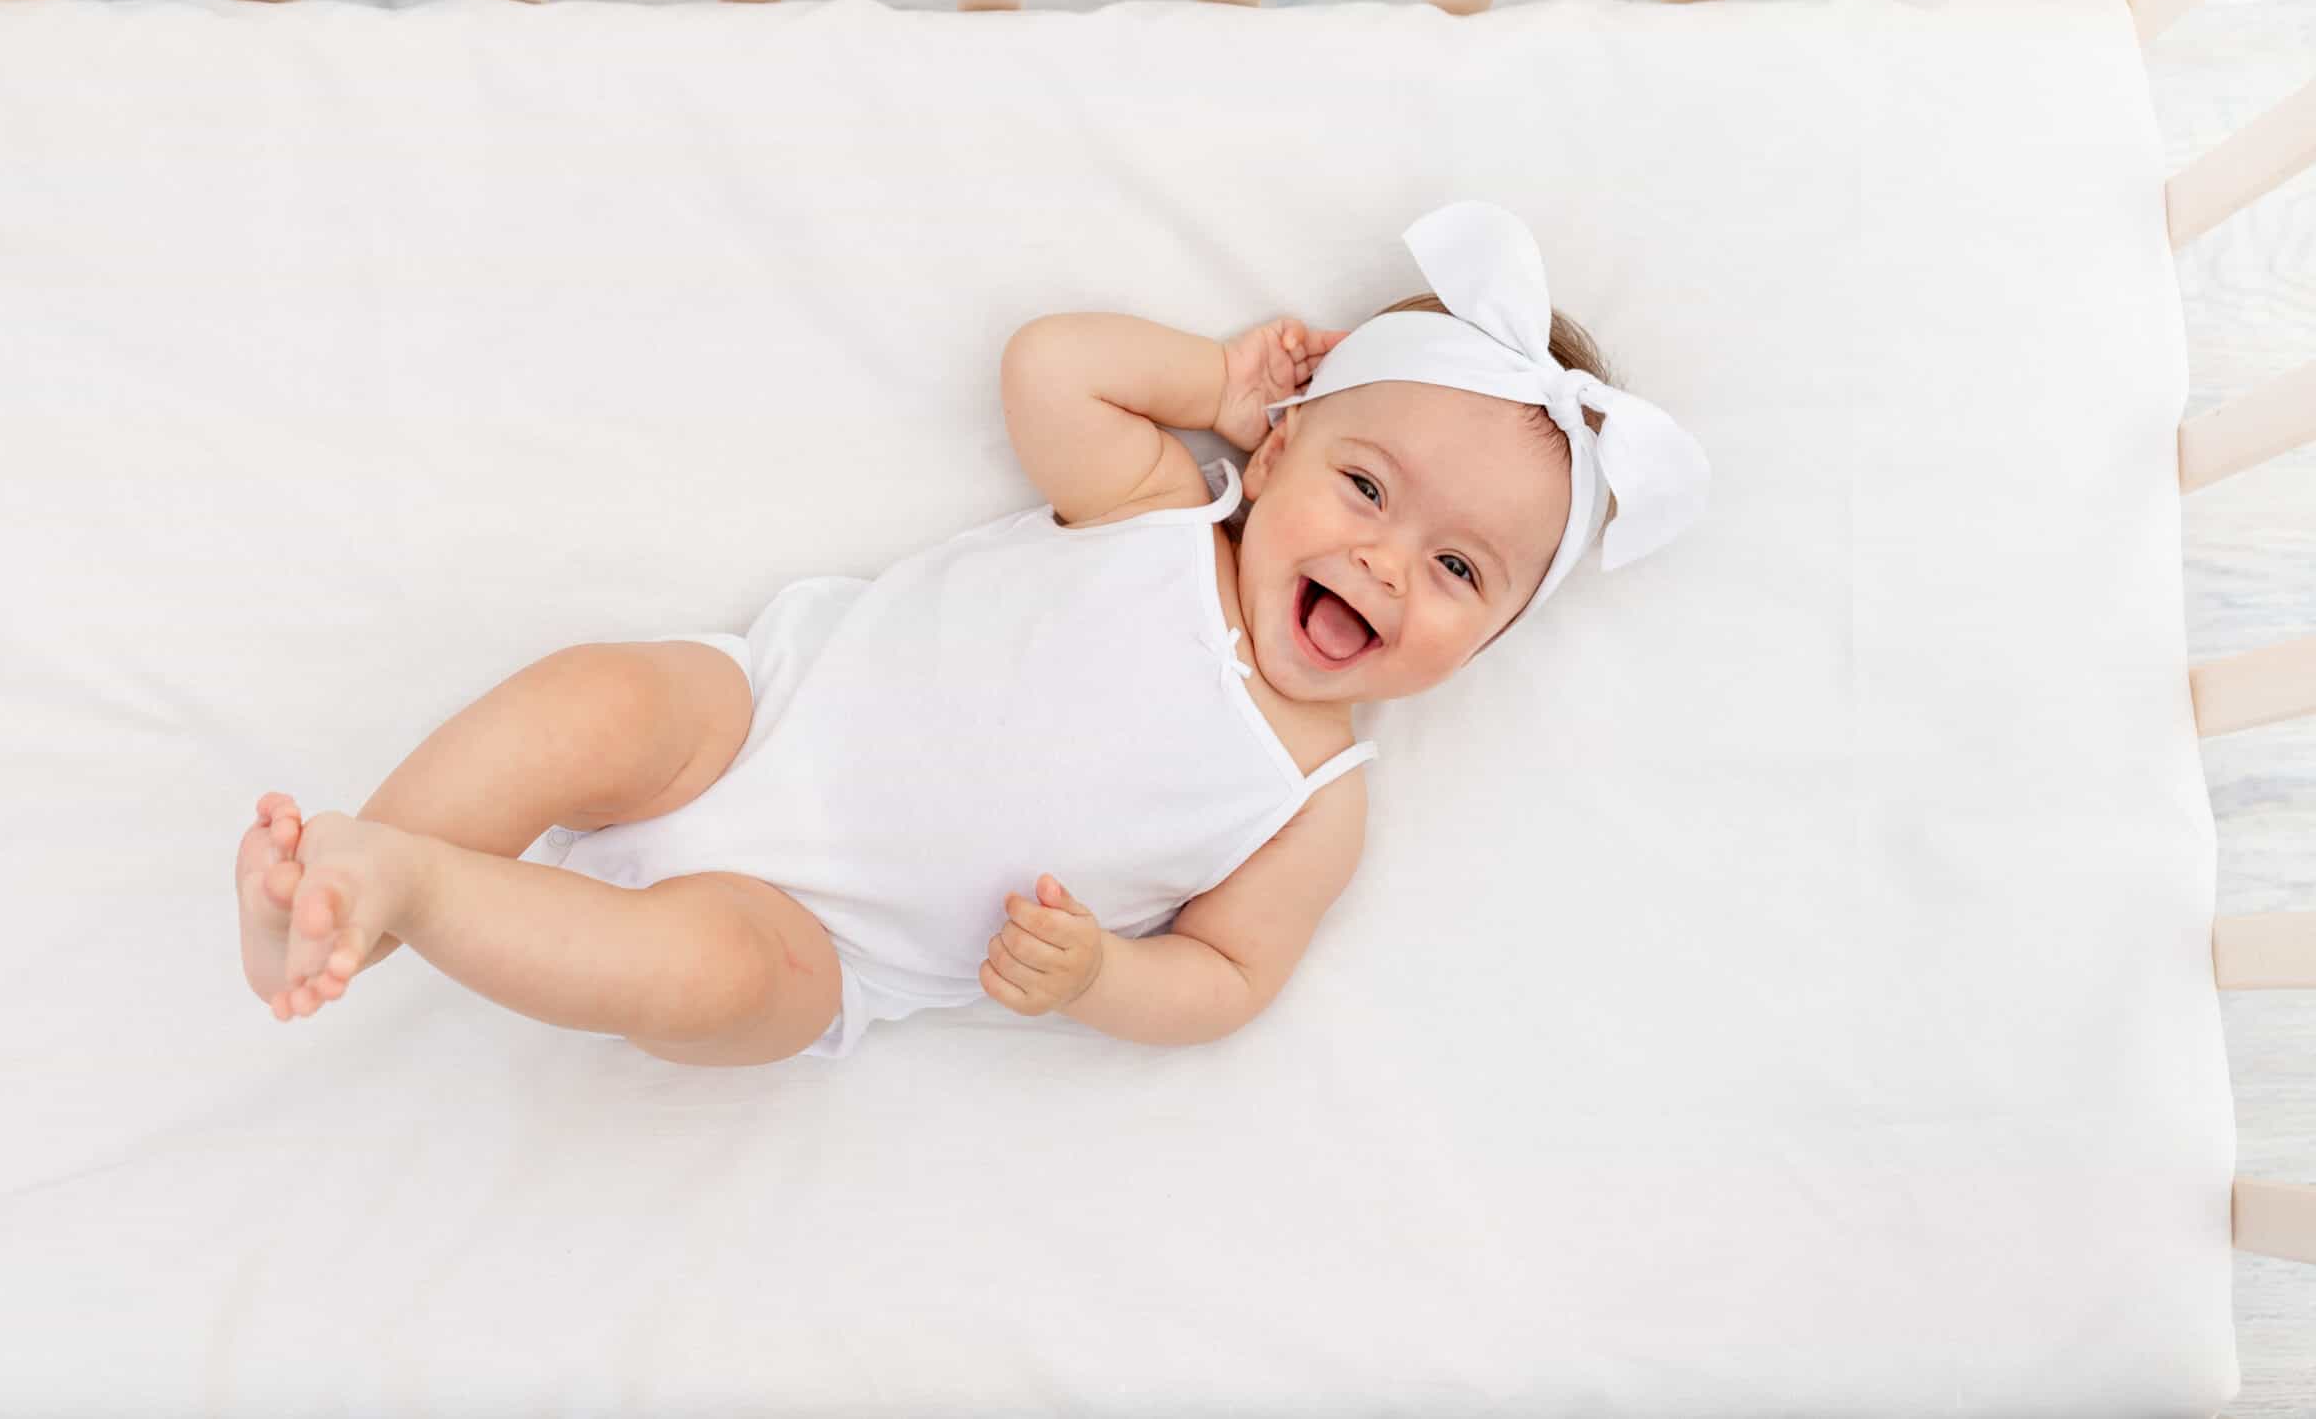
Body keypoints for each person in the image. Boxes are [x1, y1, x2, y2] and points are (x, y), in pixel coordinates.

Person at [229, 200, 1710, 1066]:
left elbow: (1234, 981)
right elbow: (1051, 366)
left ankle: (415, 895)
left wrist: (1103, 981)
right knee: (599, 697)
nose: (1385, 562)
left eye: (1459, 568)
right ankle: (358, 869)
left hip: (836, 946)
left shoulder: (1314, 804)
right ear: (1277, 455)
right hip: (759, 719)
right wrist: (1213, 381)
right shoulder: (1157, 511)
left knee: (713, 983)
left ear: (1496, 635)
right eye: (1365, 485)